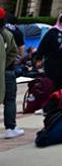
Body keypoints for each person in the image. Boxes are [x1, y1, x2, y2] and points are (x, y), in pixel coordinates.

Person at [0, 8, 24, 139]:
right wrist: (4, 64)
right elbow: (15, 52)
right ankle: (10, 128)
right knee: (9, 99)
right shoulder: (8, 34)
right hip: (7, 71)